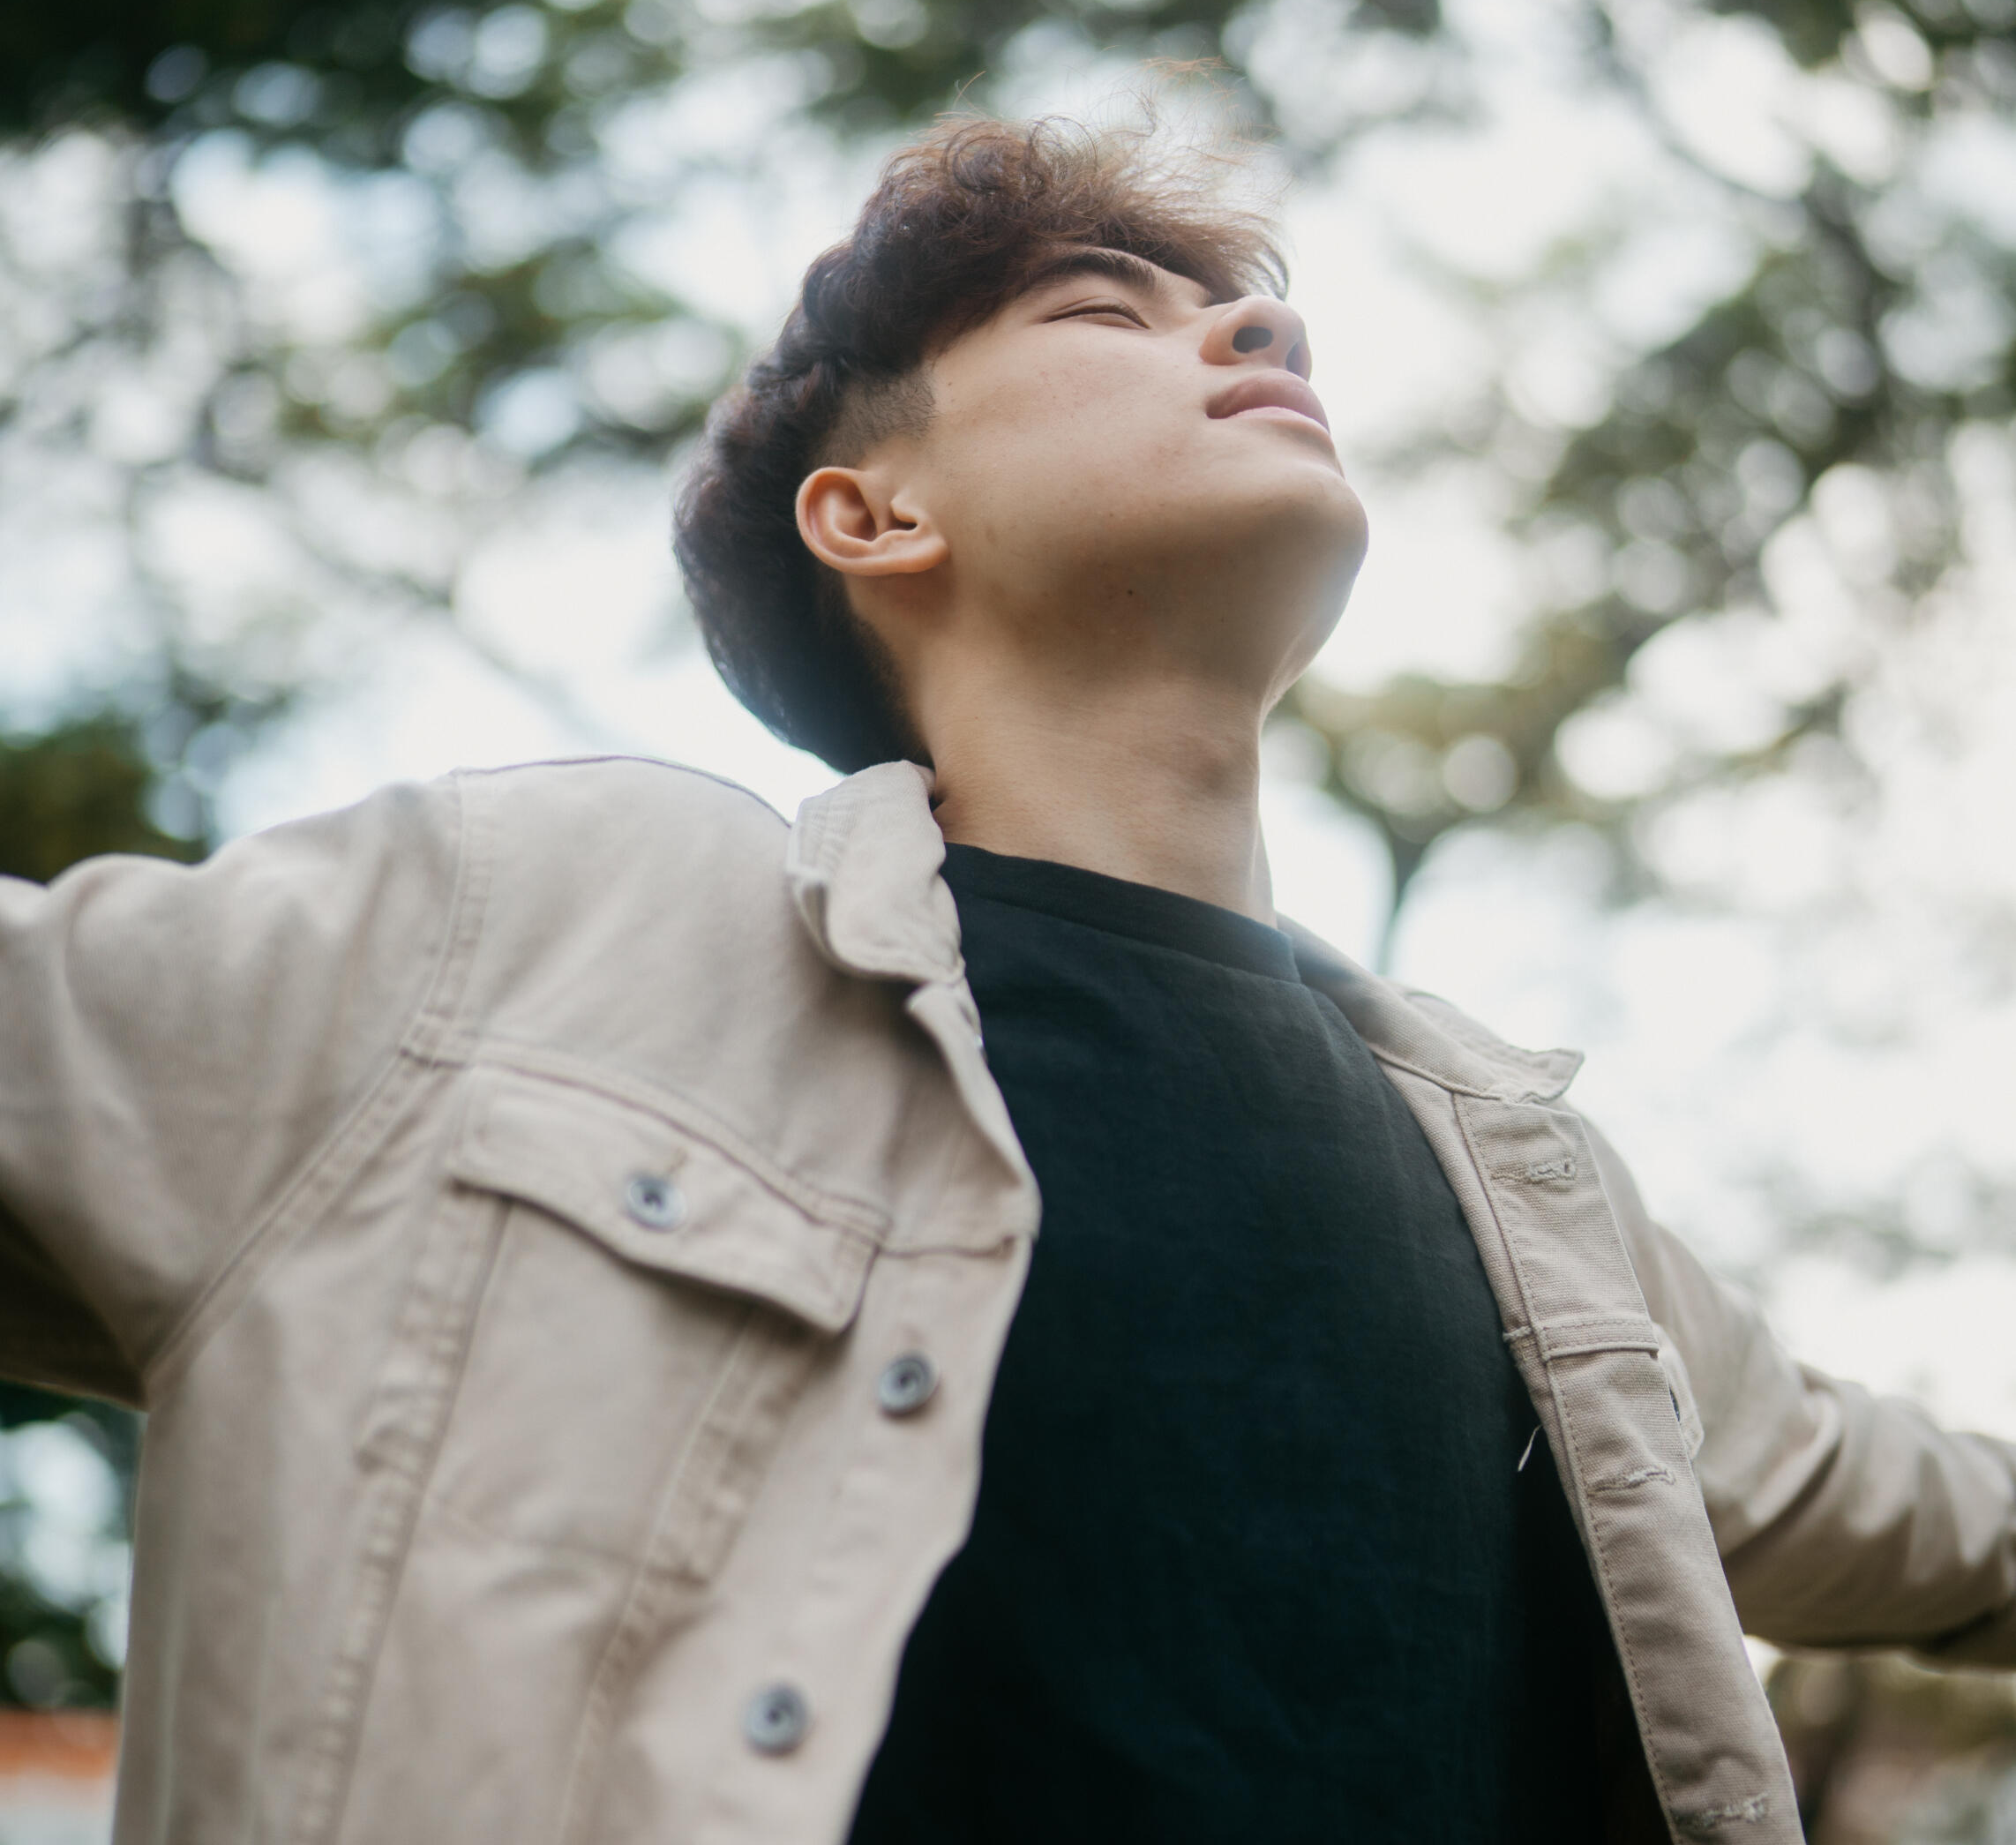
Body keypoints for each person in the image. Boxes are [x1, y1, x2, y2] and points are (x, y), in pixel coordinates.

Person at [1, 112, 2012, 1845]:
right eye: (1102, 313)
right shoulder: (531, 933)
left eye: (1242, 307)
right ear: (873, 513)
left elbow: (1923, 1510)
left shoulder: (1529, 1183)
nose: (1261, 331)